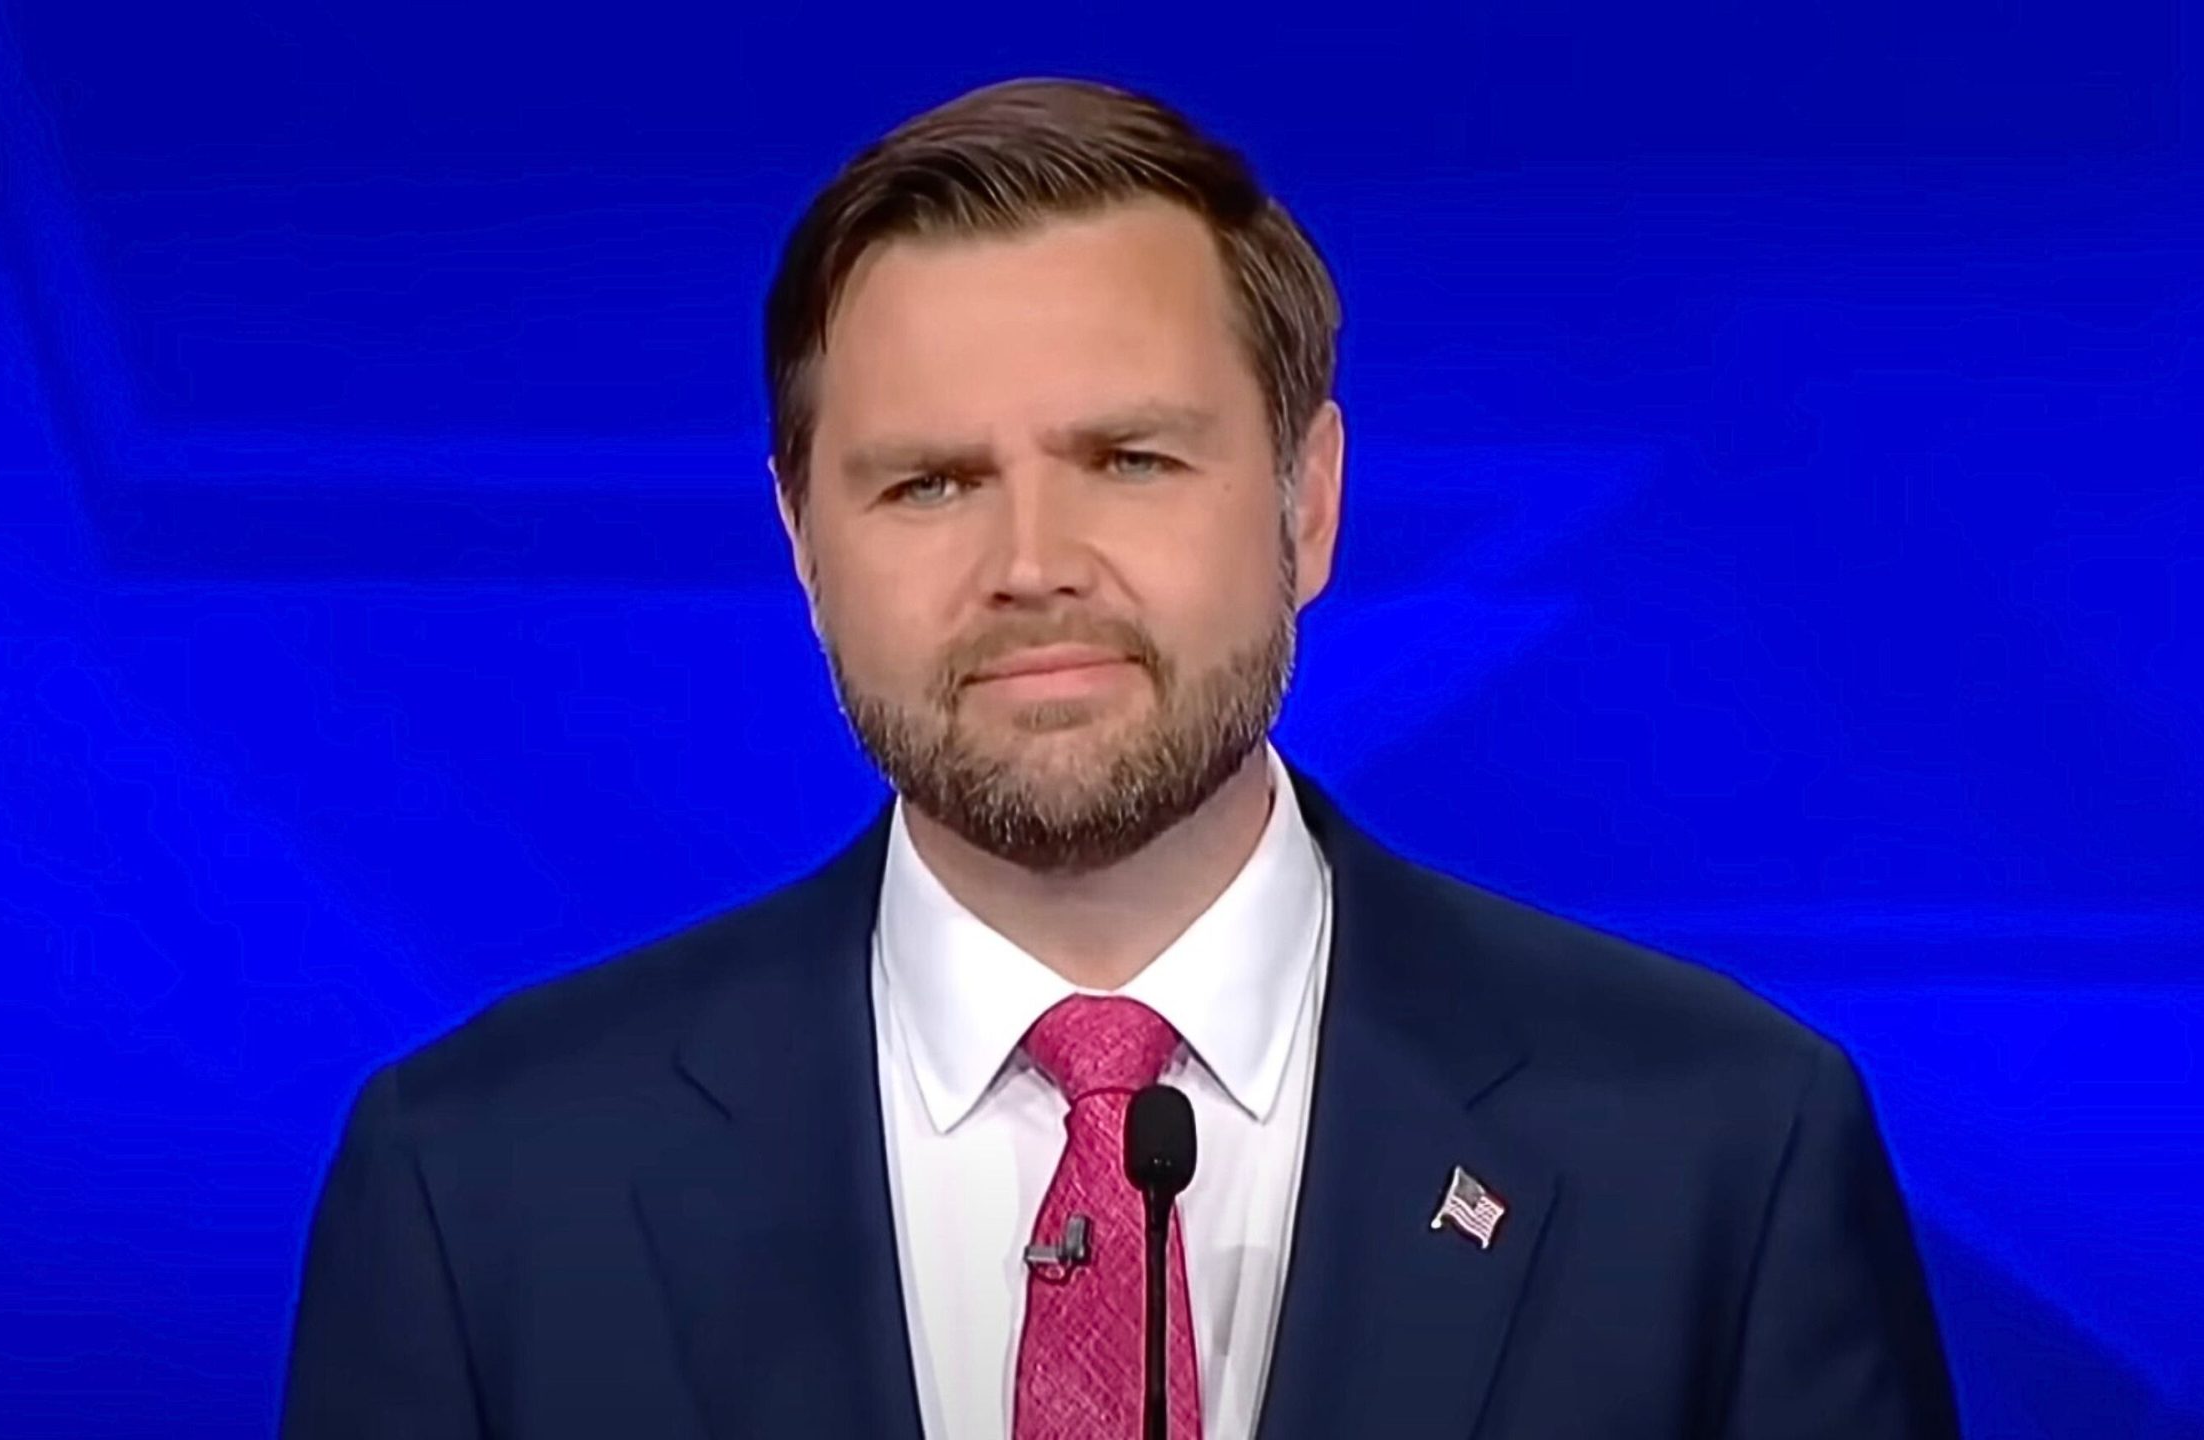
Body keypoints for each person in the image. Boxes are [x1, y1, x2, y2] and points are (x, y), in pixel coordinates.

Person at [280, 77, 1959, 1440]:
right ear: (803, 545)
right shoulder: (480, 1186)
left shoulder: (1722, 1146)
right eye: (929, 483)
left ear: (1306, 506)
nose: (1034, 562)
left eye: (1131, 460)